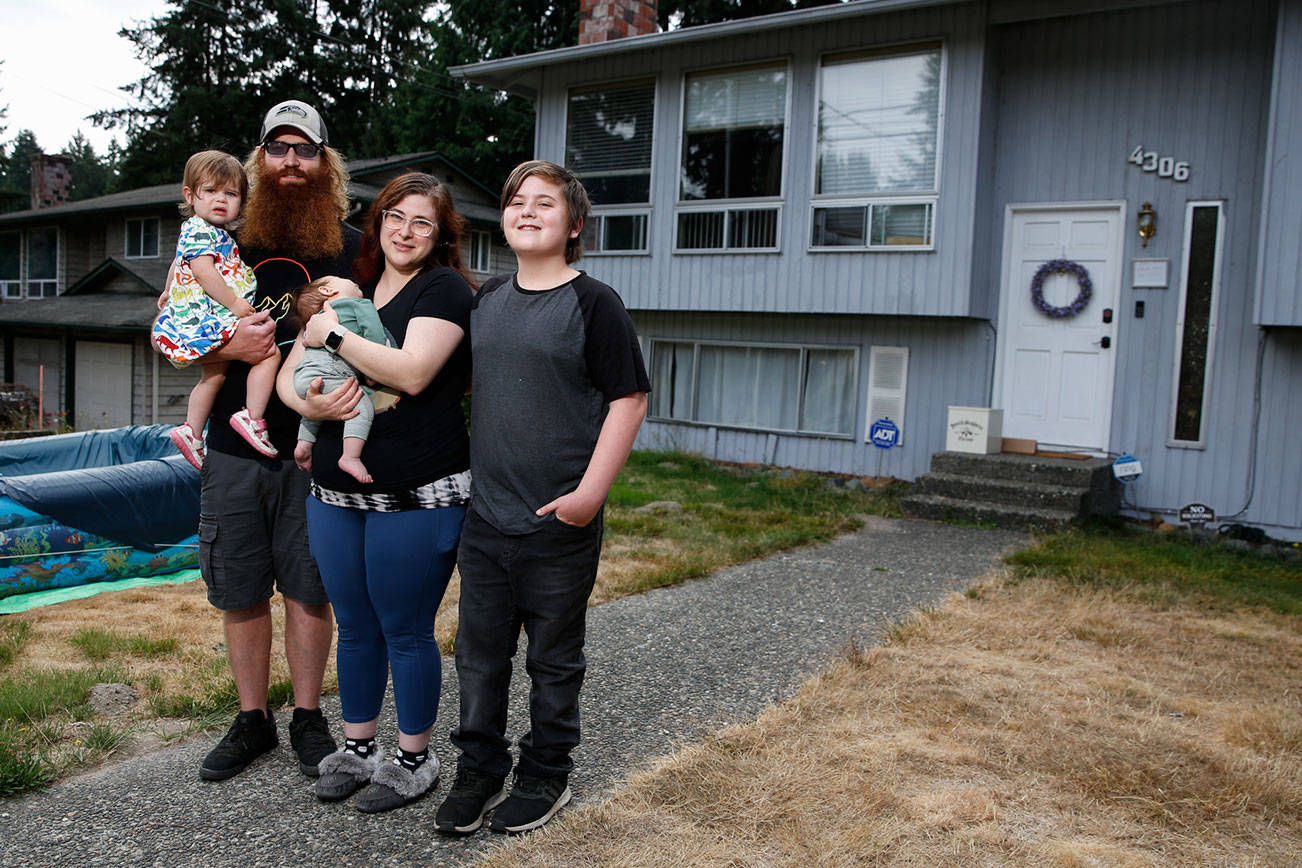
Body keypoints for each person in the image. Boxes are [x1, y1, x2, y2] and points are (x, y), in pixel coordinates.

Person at [435, 160, 649, 836]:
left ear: (574, 224)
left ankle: (546, 772)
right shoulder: (488, 301)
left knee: (553, 658)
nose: (528, 211)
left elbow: (630, 398)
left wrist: (589, 494)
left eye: (545, 204)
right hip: (487, 519)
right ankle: (479, 770)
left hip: (560, 521)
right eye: (517, 201)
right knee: (478, 655)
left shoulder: (594, 302)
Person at [276, 172, 475, 813]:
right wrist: (314, 399)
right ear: (377, 221)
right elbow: (286, 379)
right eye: (395, 216)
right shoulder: (347, 287)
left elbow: (412, 373)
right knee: (356, 627)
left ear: (441, 232)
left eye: (423, 221)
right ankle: (358, 748)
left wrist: (328, 337)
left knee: (405, 629)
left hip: (418, 496)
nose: (406, 231)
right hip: (334, 495)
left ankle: (415, 758)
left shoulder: (443, 290)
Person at [185, 99, 364, 783]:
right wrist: (226, 342)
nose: (292, 162)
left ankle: (310, 717)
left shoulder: (353, 248)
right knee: (238, 588)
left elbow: (384, 335)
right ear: (260, 159)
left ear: (326, 162)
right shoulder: (221, 240)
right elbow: (165, 330)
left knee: (309, 587)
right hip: (234, 447)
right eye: (278, 149)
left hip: (316, 448)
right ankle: (253, 718)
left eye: (305, 150)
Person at [153, 151, 278, 467]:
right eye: (210, 191)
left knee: (214, 374)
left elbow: (178, 260)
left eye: (231, 193)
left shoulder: (208, 232)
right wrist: (235, 303)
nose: (220, 199)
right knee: (269, 353)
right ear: (190, 195)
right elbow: (203, 269)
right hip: (210, 312)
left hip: (203, 310)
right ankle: (252, 416)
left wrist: (169, 288)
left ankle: (192, 430)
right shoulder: (201, 229)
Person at [289, 275, 387, 484]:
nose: (352, 280)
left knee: (317, 405)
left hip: (303, 374)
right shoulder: (358, 304)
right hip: (332, 371)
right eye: (342, 278)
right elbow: (375, 335)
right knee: (361, 407)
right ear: (327, 291)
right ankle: (350, 456)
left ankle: (303, 445)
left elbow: (306, 342)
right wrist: (374, 370)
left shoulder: (316, 317)